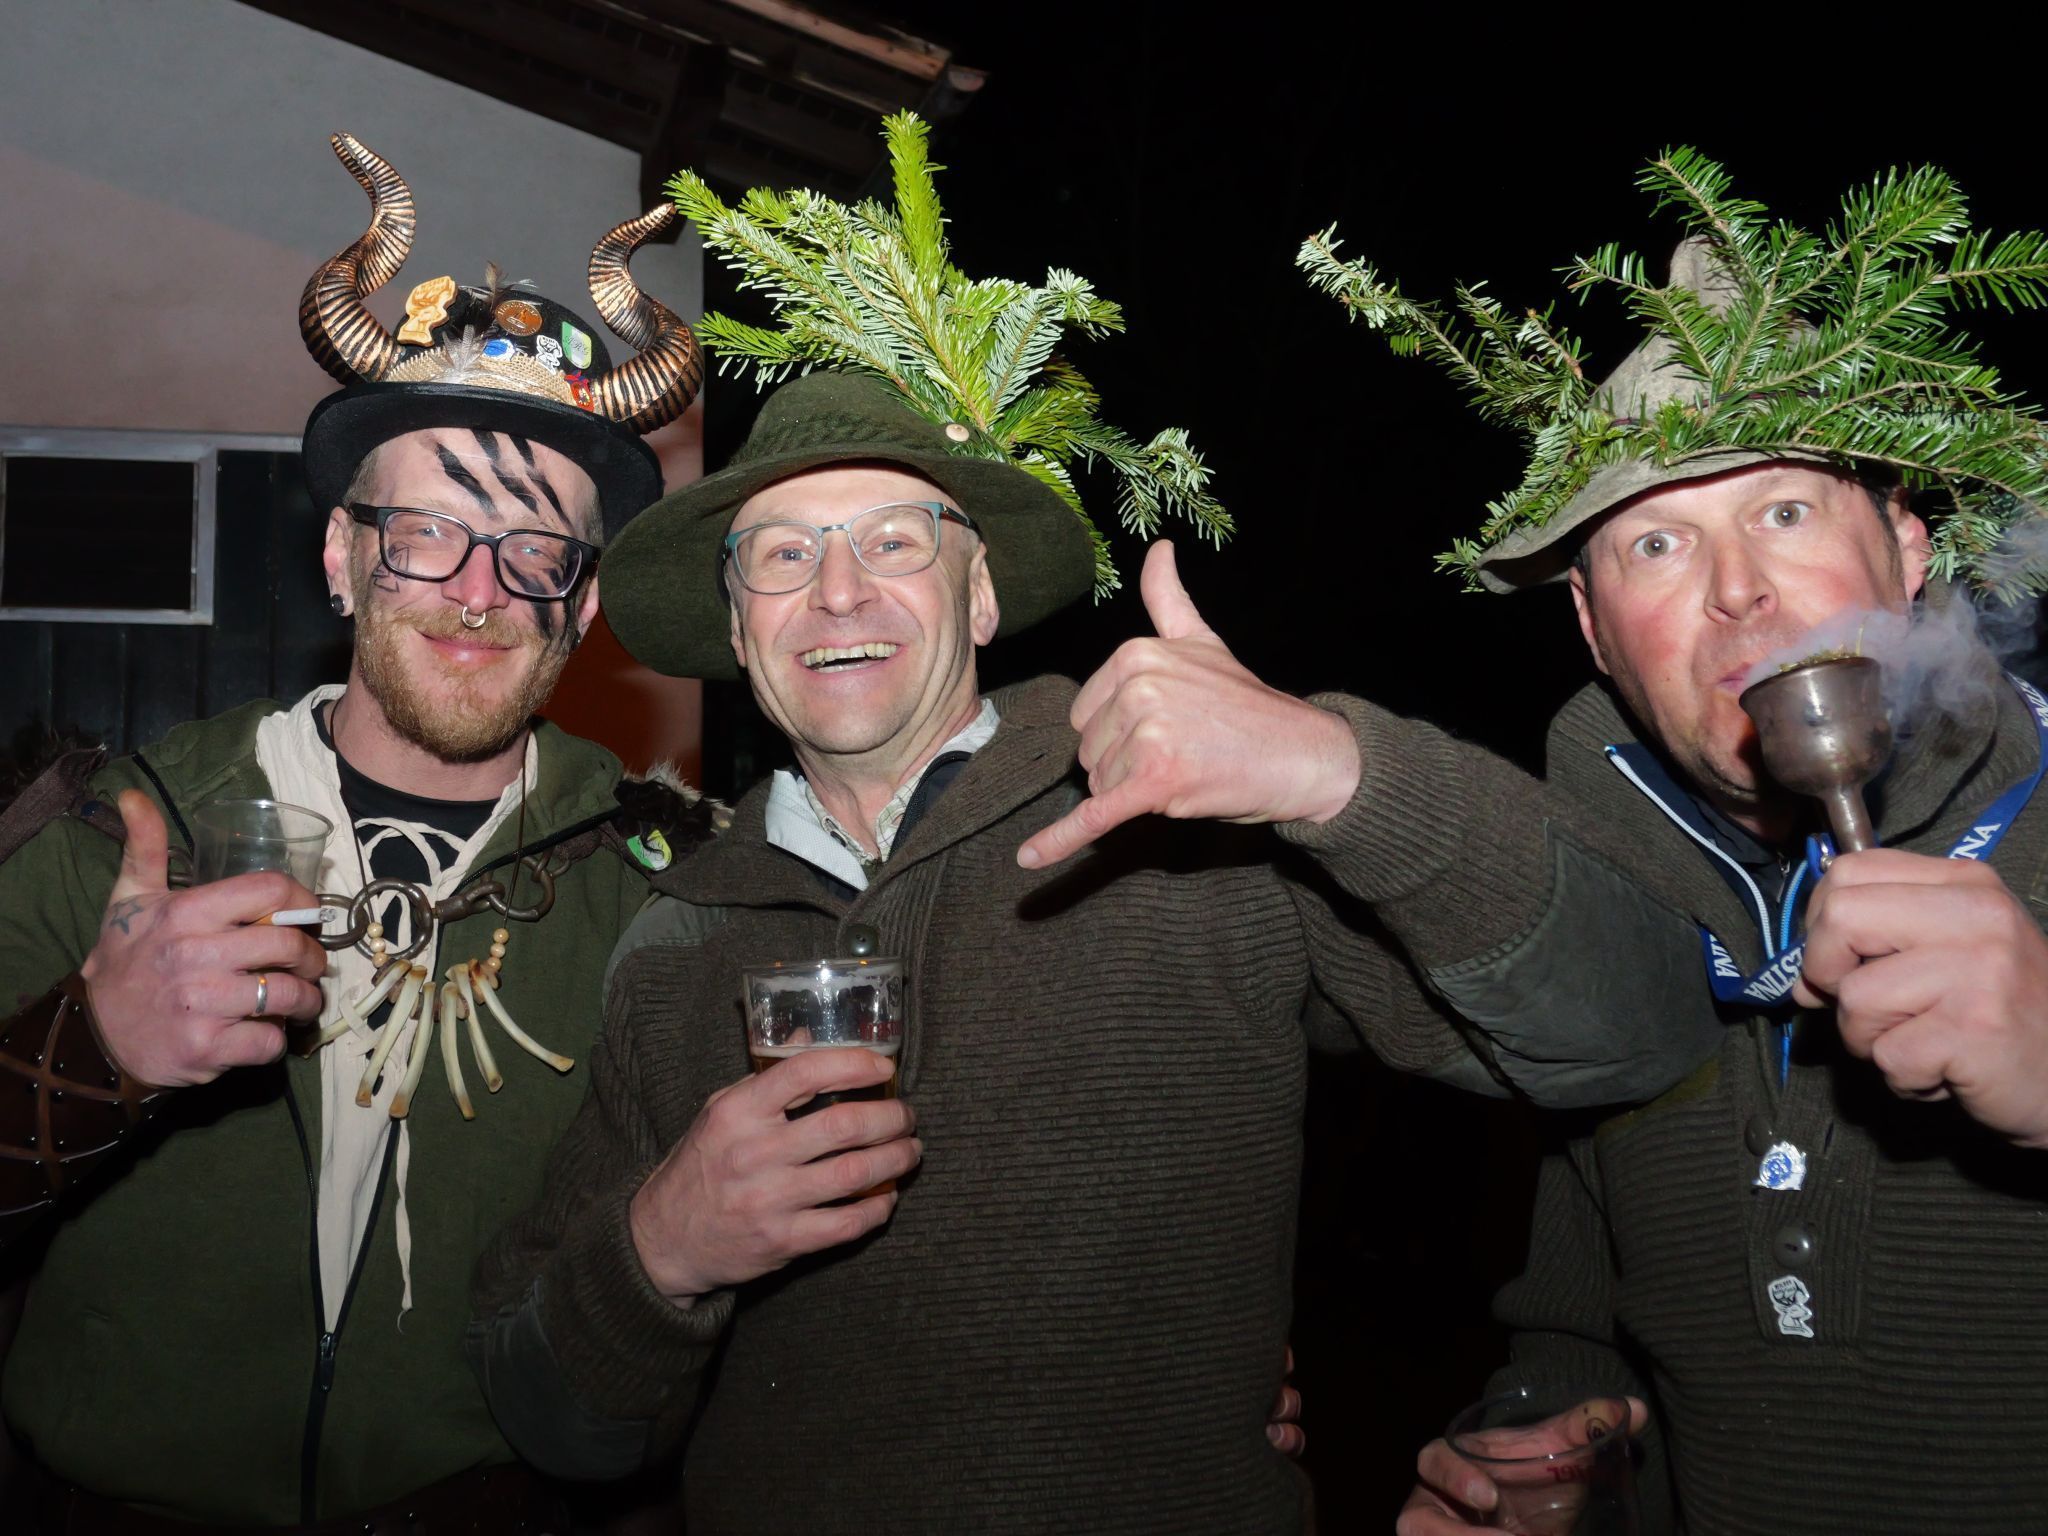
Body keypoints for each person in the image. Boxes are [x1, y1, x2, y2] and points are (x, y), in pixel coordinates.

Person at [467, 356, 1682, 1532]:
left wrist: (1333, 770)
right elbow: (559, 1426)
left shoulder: (1183, 826)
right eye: (782, 557)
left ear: (980, 594)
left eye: (894, 540)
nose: (837, 592)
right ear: (738, 629)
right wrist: (663, 1252)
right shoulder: (677, 936)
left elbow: (1628, 1028)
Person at [1294, 155, 2048, 1534]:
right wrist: (1553, 1455)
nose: (1738, 592)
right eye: (1655, 546)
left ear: (1909, 544)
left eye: (1783, 510)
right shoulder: (1604, 907)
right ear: (1591, 629)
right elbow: (1582, 1338)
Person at [0, 133, 710, 1530]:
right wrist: (91, 1055)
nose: (478, 593)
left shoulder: (666, 893)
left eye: (537, 554)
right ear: (342, 557)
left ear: (582, 603)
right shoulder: (116, 830)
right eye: (429, 533)